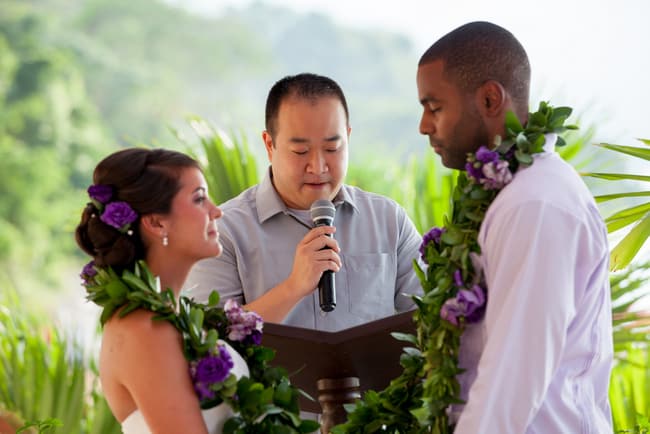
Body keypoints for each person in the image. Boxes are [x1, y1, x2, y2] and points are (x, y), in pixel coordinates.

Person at [416, 22, 613, 433]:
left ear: (490, 98)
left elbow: (512, 377)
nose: (424, 125)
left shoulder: (536, 202)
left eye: (434, 107)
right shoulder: (509, 194)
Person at [185, 73, 423, 331]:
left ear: (348, 138)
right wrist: (293, 288)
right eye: (300, 151)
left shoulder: (388, 220)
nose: (318, 166)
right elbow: (209, 338)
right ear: (269, 145)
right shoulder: (224, 231)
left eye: (332, 149)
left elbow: (431, 318)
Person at [75, 149, 250, 434]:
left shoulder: (176, 316)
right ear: (157, 222)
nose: (216, 211)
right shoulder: (143, 329)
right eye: (199, 198)